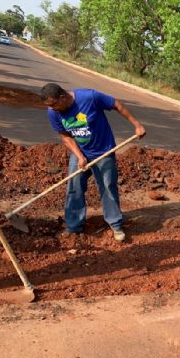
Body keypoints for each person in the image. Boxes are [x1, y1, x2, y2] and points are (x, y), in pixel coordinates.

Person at [40, 83, 146, 241]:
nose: (53, 109)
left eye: (54, 104)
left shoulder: (89, 97)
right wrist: (79, 156)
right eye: (50, 106)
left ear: (62, 97)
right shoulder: (53, 112)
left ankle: (115, 224)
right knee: (74, 187)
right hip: (80, 152)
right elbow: (65, 136)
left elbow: (116, 104)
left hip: (104, 151)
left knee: (107, 187)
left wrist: (137, 125)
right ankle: (73, 226)